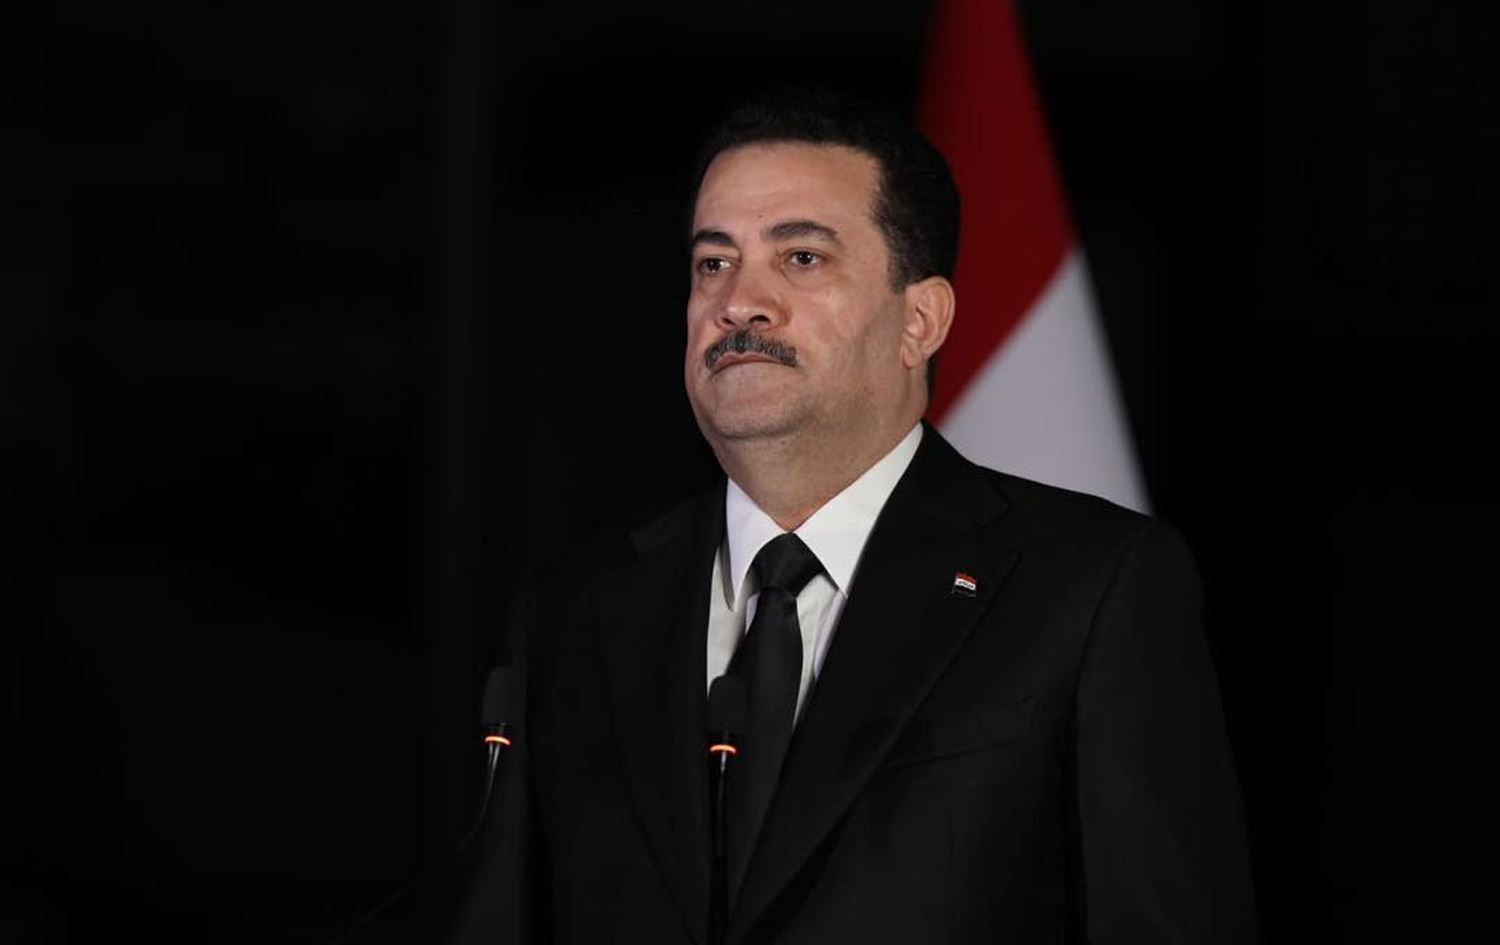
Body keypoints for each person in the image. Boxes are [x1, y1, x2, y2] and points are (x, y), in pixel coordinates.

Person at [448, 89, 1256, 944]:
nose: (739, 303)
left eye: (801, 257)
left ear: (920, 320)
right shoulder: (576, 612)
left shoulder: (1091, 589)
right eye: (713, 263)